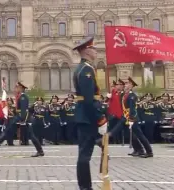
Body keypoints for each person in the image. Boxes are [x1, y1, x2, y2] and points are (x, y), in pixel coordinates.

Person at [72, 36, 107, 190]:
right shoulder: (86, 69)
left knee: (85, 152)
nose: (96, 51)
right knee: (84, 155)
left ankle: (85, 186)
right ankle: (85, 187)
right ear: (86, 51)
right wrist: (100, 119)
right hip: (88, 117)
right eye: (93, 48)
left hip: (84, 115)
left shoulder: (82, 68)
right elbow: (88, 99)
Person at [0, 82, 44, 157]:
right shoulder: (20, 96)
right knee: (10, 129)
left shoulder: (23, 97)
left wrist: (22, 119)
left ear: (21, 88)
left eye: (17, 87)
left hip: (22, 117)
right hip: (20, 116)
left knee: (30, 135)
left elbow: (23, 110)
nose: (16, 89)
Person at [124, 77, 153, 158]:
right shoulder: (127, 95)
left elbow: (132, 108)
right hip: (128, 117)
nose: (125, 85)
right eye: (126, 83)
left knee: (140, 135)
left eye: (127, 84)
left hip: (133, 118)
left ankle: (149, 151)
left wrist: (131, 119)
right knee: (132, 135)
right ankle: (138, 150)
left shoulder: (132, 96)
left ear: (131, 85)